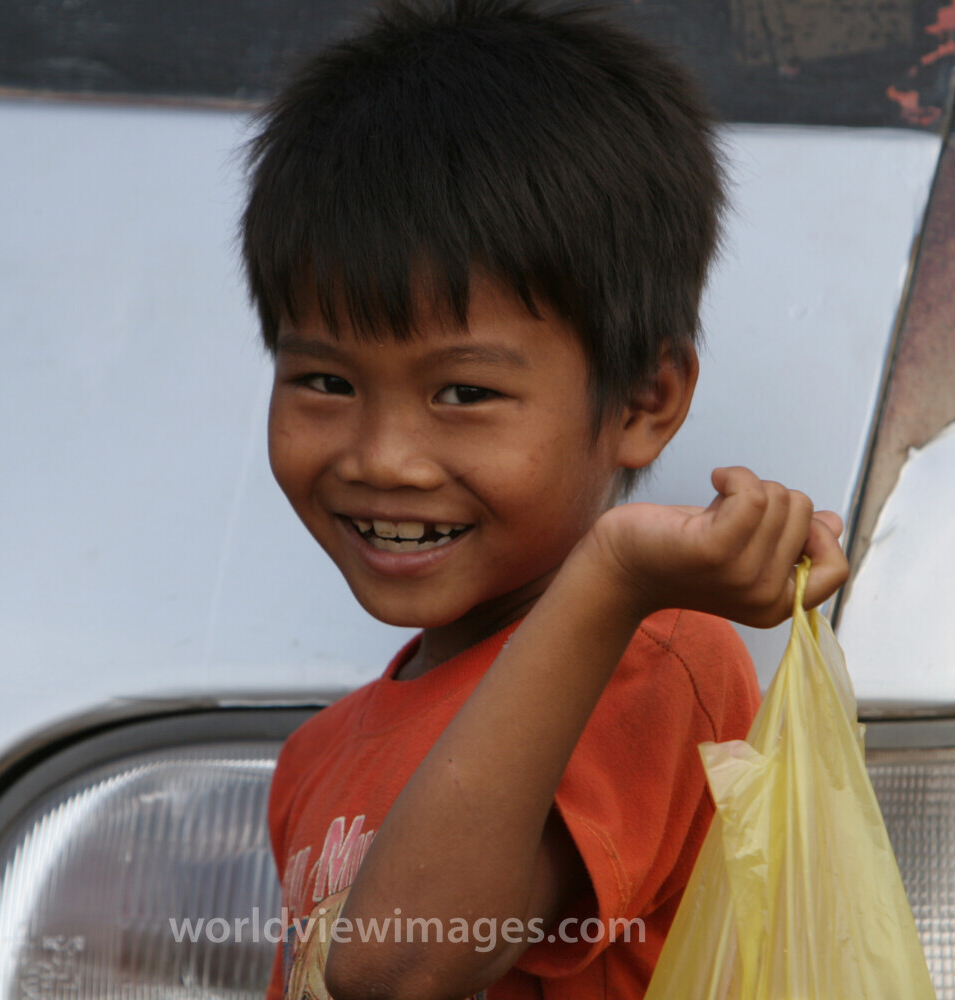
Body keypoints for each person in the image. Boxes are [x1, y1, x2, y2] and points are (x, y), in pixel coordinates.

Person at [240, 1, 849, 997]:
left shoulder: (653, 661)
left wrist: (612, 577)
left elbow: (401, 964)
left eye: (464, 394)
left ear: (644, 403)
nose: (384, 458)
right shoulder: (315, 759)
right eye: (325, 381)